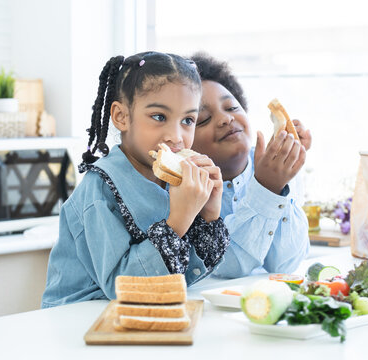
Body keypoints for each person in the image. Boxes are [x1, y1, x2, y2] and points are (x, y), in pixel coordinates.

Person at [42, 52, 230, 308]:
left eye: (188, 120)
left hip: (143, 314)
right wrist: (178, 221)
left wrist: (209, 214)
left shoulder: (173, 181)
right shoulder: (99, 188)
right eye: (159, 117)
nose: (176, 136)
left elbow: (184, 276)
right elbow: (123, 287)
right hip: (82, 317)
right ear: (121, 116)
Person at [189, 52, 312, 278]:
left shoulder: (276, 169)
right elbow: (228, 266)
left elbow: (285, 263)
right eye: (204, 119)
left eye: (232, 108)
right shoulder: (186, 189)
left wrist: (282, 177)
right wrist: (266, 188)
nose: (226, 119)